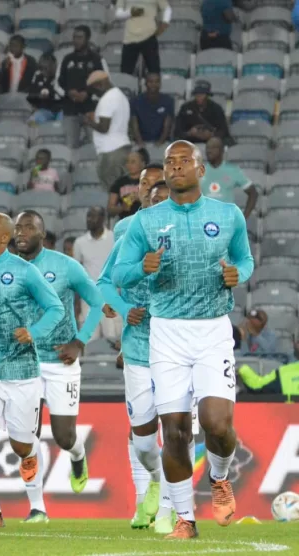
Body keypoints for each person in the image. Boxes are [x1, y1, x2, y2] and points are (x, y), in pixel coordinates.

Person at [113, 140, 253, 539]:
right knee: (174, 430)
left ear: (201, 170)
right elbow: (119, 274)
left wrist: (237, 275)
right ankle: (185, 519)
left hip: (211, 330)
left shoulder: (228, 215)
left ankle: (220, 477)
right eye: (169, 163)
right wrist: (141, 266)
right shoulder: (146, 222)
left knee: (217, 424)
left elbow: (245, 259)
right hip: (167, 333)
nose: (175, 168)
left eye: (184, 161)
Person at [0, 211, 63, 529]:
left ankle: (37, 505)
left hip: (22, 369)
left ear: (4, 238)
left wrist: (34, 331)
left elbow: (56, 308)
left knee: (21, 444)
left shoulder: (24, 271)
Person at [13, 210, 105, 522]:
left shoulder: (66, 266)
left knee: (64, 436)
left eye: (29, 227)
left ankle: (78, 456)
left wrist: (79, 342)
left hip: (61, 362)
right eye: (17, 228)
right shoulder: (7, 268)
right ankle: (37, 506)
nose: (21, 232)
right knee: (28, 436)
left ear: (43, 234)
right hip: (24, 363)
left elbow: (98, 302)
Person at [98, 179, 171, 530]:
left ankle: (171, 508)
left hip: (178, 348)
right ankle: (154, 480)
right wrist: (124, 308)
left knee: (177, 428)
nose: (155, 201)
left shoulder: (194, 231)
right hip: (139, 346)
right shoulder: (128, 229)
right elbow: (105, 282)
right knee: (143, 440)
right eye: (151, 195)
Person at [58, 26, 107, 148]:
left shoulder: (97, 60)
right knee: (70, 146)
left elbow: (104, 83)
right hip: (70, 110)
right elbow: (58, 82)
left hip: (90, 109)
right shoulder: (67, 59)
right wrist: (69, 92)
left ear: (88, 39)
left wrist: (87, 93)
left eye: (80, 37)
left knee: (94, 146)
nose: (76, 40)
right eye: (74, 37)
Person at [85, 71, 132, 194]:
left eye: (94, 90)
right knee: (123, 189)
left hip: (110, 152)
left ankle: (117, 213)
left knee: (112, 191)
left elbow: (104, 128)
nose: (94, 94)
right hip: (122, 147)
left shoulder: (107, 98)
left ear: (99, 85)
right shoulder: (120, 96)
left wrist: (88, 121)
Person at [201, 136, 256, 218]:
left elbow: (253, 193)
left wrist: (243, 218)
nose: (209, 151)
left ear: (222, 151)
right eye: (207, 148)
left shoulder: (233, 170)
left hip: (227, 224)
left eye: (213, 148)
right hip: (204, 223)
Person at [115, 0, 170, 75]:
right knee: (125, 73)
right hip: (130, 38)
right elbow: (118, 14)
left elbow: (167, 9)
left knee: (154, 72)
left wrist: (165, 23)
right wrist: (131, 12)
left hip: (149, 36)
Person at [174, 80, 230, 144]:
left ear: (207, 95)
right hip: (189, 142)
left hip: (211, 143)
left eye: (202, 94)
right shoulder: (185, 107)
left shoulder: (216, 108)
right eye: (197, 94)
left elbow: (224, 131)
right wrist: (189, 133)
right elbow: (177, 131)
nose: (199, 96)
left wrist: (212, 135)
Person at [130, 73, 175, 147]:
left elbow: (167, 125)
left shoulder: (168, 100)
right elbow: (134, 124)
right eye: (150, 82)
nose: (153, 84)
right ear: (145, 83)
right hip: (140, 141)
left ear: (160, 84)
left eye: (157, 82)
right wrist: (140, 143)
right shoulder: (135, 101)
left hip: (162, 142)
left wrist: (160, 143)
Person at [109, 149, 148, 218]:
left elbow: (158, 204)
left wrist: (139, 198)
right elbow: (110, 209)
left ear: (142, 163)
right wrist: (122, 207)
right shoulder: (119, 182)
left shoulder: (149, 180)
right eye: (127, 162)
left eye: (133, 162)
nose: (129, 165)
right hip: (125, 222)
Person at [26, 53, 62, 126]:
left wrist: (50, 94)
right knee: (31, 122)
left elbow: (63, 95)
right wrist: (38, 96)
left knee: (59, 126)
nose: (43, 71)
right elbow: (30, 95)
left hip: (61, 110)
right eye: (41, 68)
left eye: (46, 68)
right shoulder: (37, 75)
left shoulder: (62, 75)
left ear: (54, 65)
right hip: (44, 109)